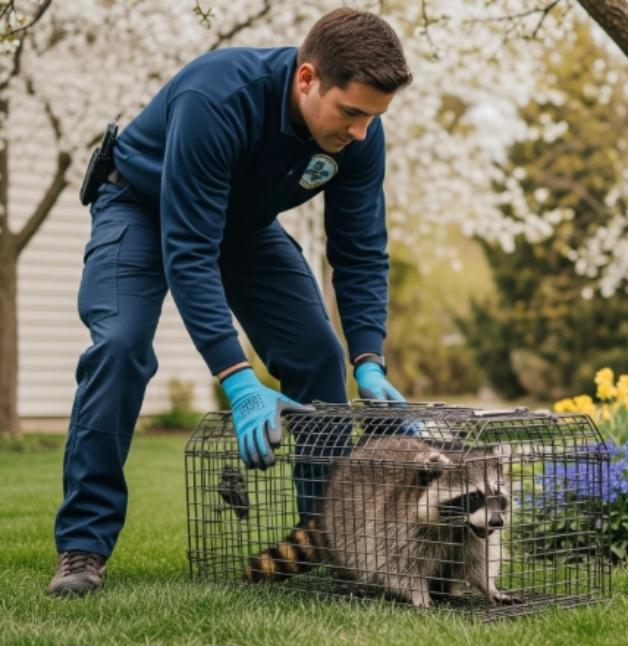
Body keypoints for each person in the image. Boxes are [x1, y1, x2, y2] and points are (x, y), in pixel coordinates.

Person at [48, 7, 412, 597]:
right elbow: (189, 249)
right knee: (120, 347)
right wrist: (237, 379)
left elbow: (362, 250)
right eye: (351, 112)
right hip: (140, 205)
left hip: (243, 227)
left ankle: (326, 541)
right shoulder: (217, 97)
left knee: (319, 354)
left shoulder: (359, 135)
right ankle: (83, 546)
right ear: (307, 78)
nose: (361, 132)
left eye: (374, 117)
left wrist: (368, 358)